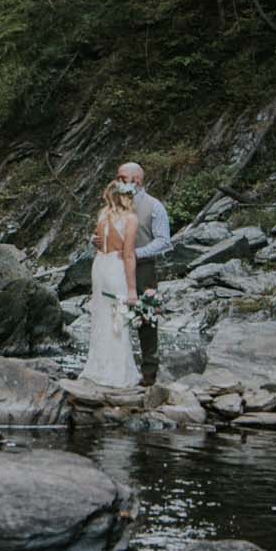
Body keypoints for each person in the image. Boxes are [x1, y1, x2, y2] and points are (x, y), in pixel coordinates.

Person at [116, 161, 173, 385]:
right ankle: (119, 368)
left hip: (144, 269)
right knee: (115, 316)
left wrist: (135, 254)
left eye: (121, 178)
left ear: (136, 181)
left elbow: (164, 242)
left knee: (146, 318)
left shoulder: (154, 206)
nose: (117, 181)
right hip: (114, 268)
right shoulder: (116, 204)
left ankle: (149, 372)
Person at [84, 180, 142, 389]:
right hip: (116, 267)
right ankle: (118, 374)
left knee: (101, 318)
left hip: (100, 265)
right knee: (118, 319)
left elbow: (98, 240)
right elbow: (128, 254)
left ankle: (97, 368)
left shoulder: (102, 215)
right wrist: (133, 289)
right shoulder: (130, 219)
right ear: (127, 197)